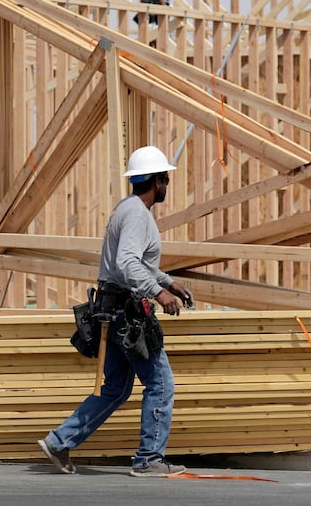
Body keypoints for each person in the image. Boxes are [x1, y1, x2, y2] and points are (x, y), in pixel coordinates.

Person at [38, 145, 194, 478]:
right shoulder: (138, 214)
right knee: (161, 384)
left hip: (114, 312)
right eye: (165, 177)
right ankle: (149, 458)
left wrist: (168, 281)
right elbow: (126, 264)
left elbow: (137, 263)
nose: (168, 182)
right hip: (127, 314)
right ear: (157, 181)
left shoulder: (128, 208)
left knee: (115, 389)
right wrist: (159, 293)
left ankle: (59, 441)